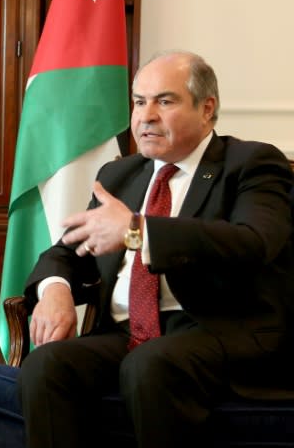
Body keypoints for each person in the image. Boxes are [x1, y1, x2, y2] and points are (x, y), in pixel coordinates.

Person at [17, 50, 294, 447]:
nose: (146, 116)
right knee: (46, 366)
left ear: (207, 108)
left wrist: (137, 229)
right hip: (128, 332)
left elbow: (254, 241)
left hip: (216, 330)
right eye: (139, 101)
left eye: (164, 101)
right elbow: (66, 251)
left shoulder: (250, 163)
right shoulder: (121, 174)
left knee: (151, 364)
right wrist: (56, 289)